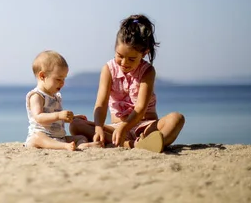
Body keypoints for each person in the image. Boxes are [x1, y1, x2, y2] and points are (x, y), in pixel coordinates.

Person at [69, 14, 185, 153]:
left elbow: (140, 108)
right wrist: (99, 127)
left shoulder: (147, 71)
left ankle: (150, 142)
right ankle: (128, 144)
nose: (124, 63)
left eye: (131, 59)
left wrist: (126, 127)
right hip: (115, 128)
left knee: (177, 118)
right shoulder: (108, 69)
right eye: (120, 56)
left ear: (144, 53)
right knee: (75, 124)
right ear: (115, 48)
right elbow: (101, 103)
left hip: (145, 126)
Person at [25, 50, 101, 151]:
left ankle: (81, 145)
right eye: (58, 79)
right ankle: (64, 146)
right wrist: (59, 115)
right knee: (38, 137)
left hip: (58, 137)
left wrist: (70, 118)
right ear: (42, 76)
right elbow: (38, 117)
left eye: (64, 79)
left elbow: (55, 118)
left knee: (81, 138)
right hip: (42, 136)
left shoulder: (56, 96)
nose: (62, 83)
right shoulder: (37, 96)